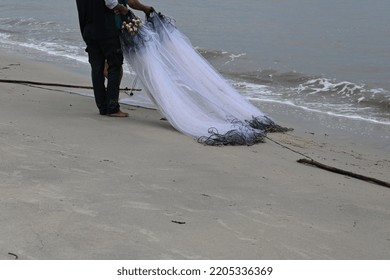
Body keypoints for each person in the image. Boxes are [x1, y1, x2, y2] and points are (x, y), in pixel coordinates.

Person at [75, 0, 152, 117]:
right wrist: (123, 9)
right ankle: (112, 108)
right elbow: (110, 3)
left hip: (88, 30)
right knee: (114, 65)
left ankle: (102, 106)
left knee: (96, 68)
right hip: (106, 30)